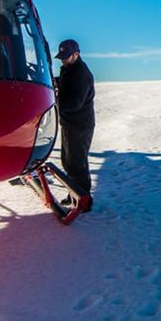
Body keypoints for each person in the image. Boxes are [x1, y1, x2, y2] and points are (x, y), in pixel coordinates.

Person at [55, 39, 95, 213]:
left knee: (77, 163)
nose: (62, 60)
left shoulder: (81, 74)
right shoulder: (69, 69)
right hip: (70, 123)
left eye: (66, 57)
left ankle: (84, 199)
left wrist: (55, 101)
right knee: (67, 161)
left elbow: (74, 103)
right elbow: (66, 84)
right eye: (61, 57)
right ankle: (74, 194)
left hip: (80, 125)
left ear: (76, 54)